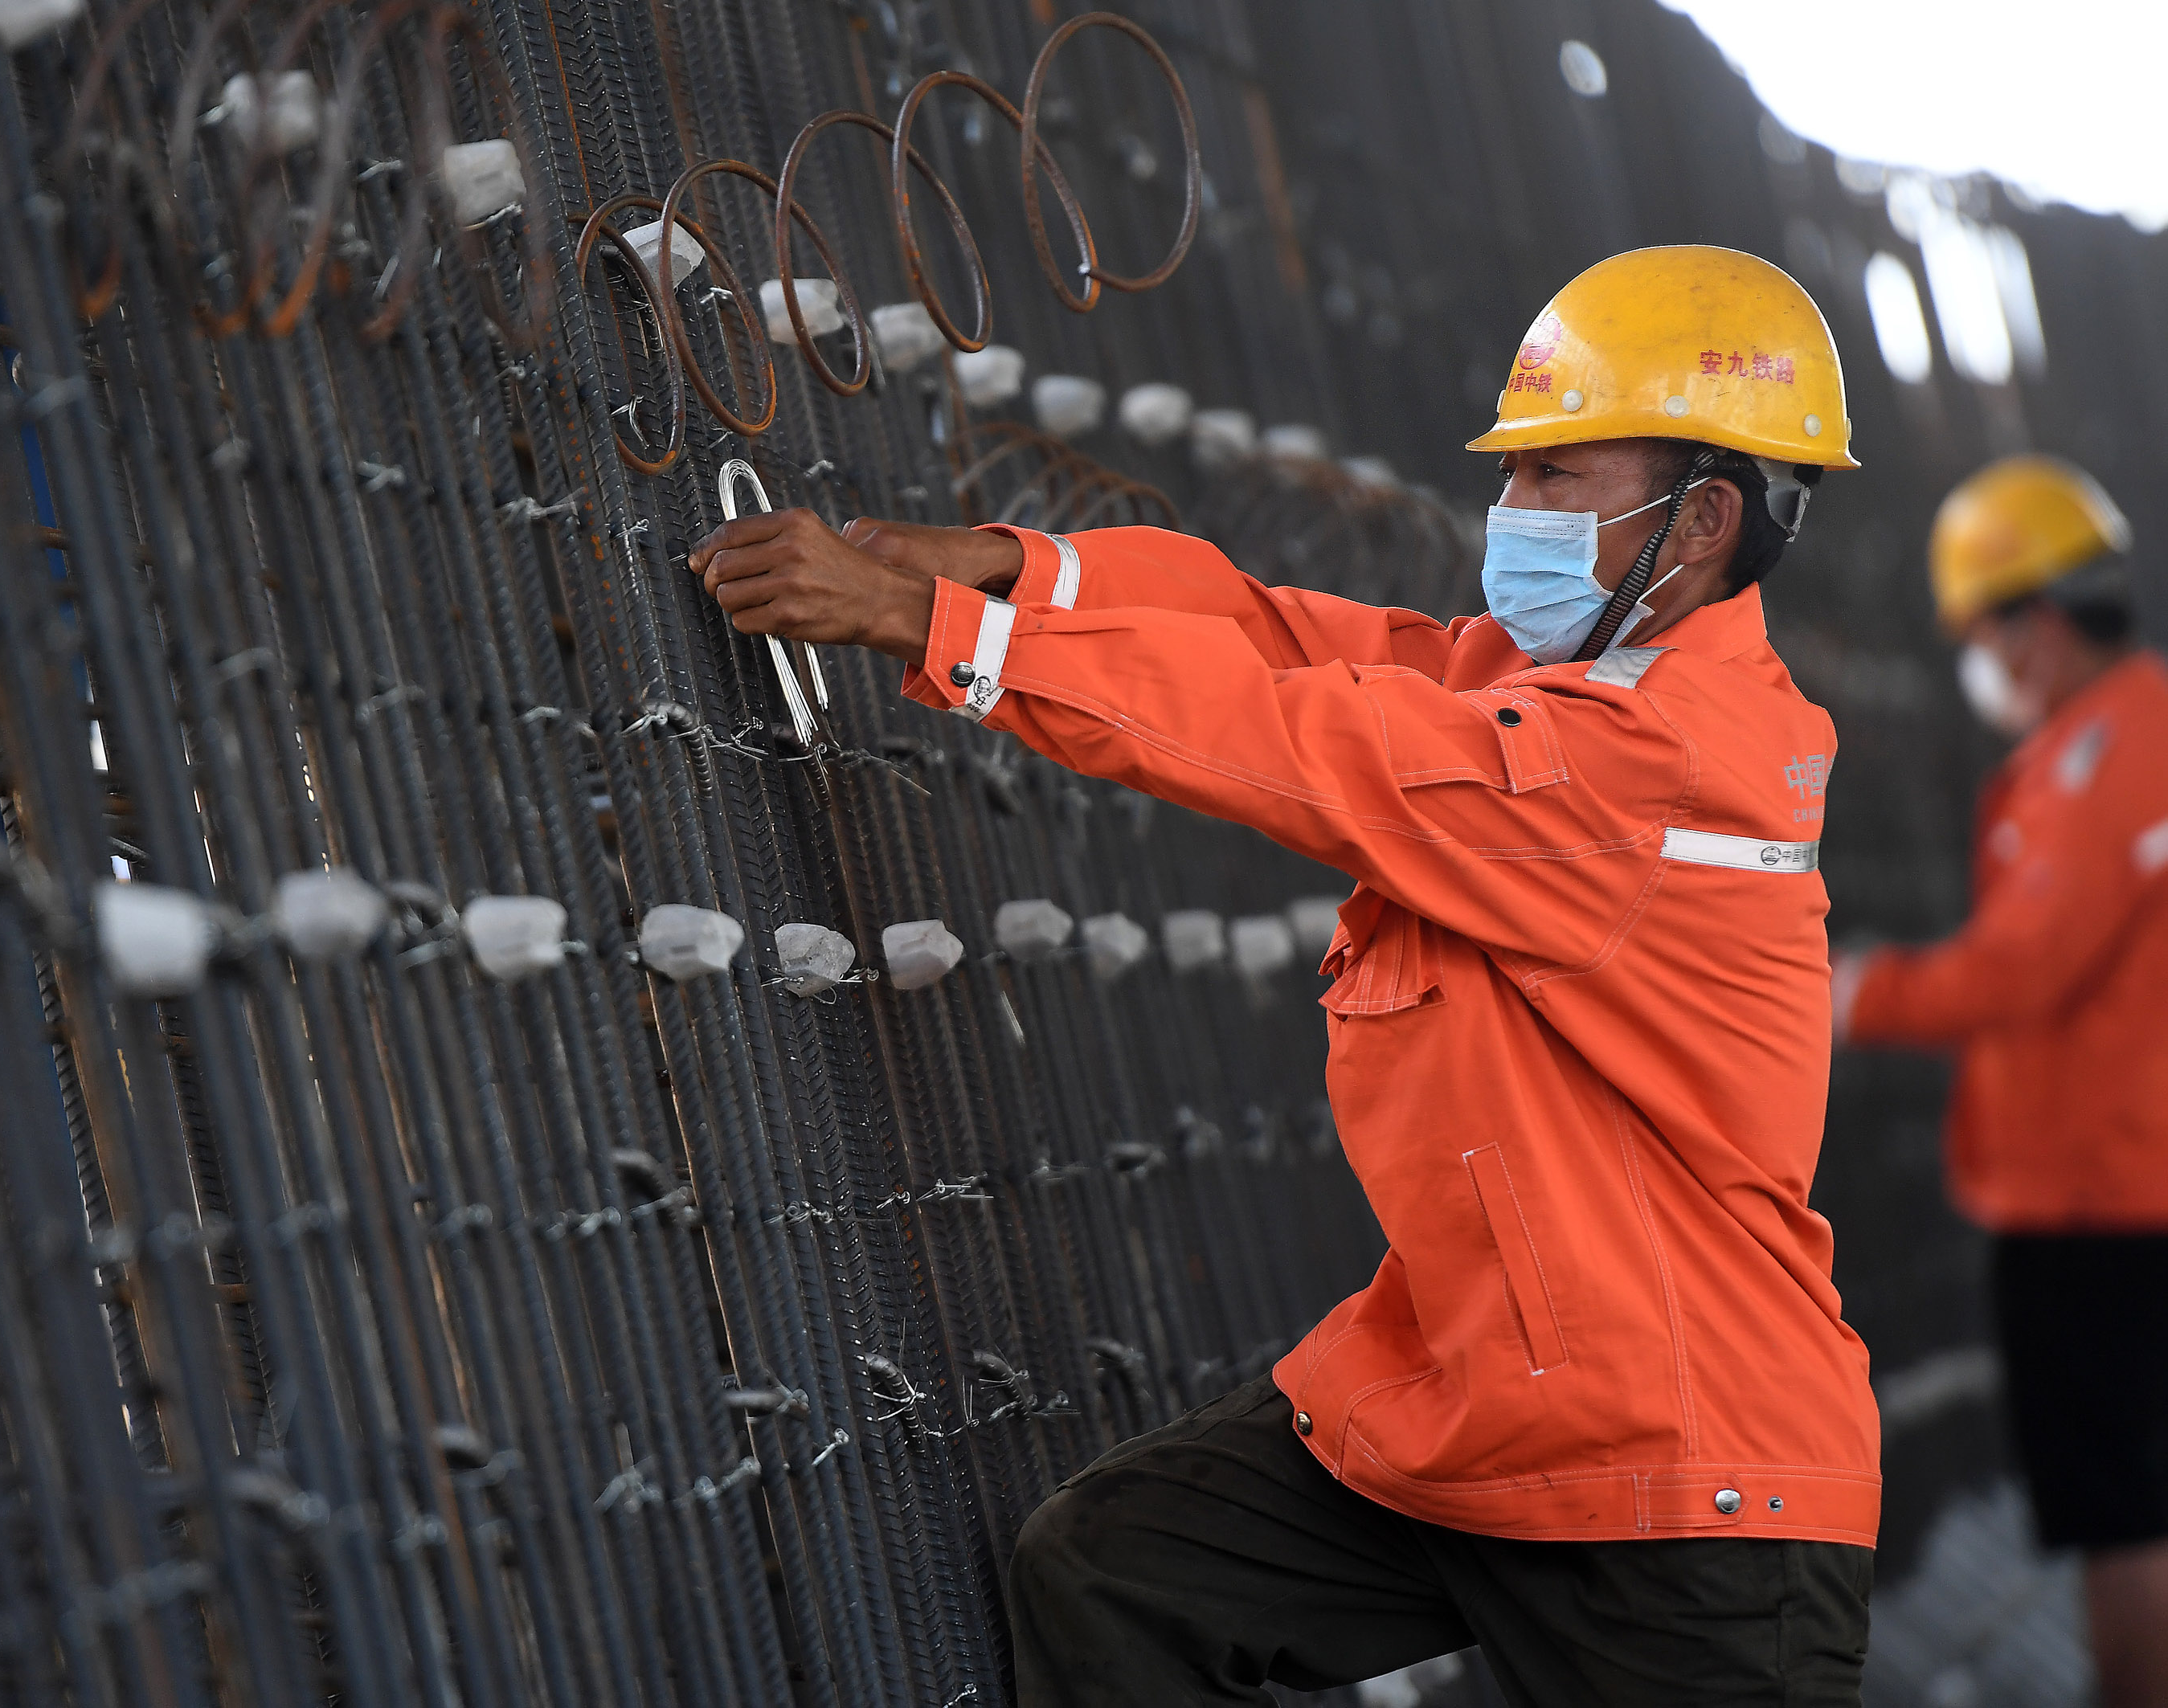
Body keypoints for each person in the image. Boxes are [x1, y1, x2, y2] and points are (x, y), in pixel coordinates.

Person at [690, 246, 1878, 1704]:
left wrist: (932, 629)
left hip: (1688, 1484)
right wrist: (1016, 570)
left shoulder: (1662, 759)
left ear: (1699, 517)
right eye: (1516, 474)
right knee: (1117, 1571)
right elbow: (1287, 637)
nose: (1510, 513)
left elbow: (1303, 737)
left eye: (1560, 475)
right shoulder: (1562, 690)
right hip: (1485, 1420)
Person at [1835, 456, 2168, 1708]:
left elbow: (2024, 967)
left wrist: (1853, 992)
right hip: (2101, 1180)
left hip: (2101, 1198)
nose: (1977, 661)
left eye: (1978, 632)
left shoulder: (2109, 752)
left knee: (2119, 1510)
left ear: (2029, 623)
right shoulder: (2106, 739)